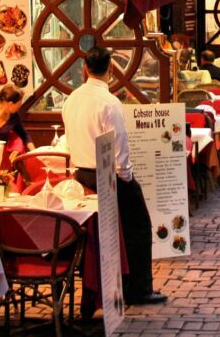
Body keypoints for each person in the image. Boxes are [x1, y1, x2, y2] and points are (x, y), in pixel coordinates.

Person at [63, 46, 166, 305]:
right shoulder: (110, 103)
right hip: (108, 176)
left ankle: (112, 284)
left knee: (104, 233)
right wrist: (126, 177)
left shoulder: (72, 98)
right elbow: (120, 145)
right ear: (110, 69)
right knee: (138, 228)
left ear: (85, 69)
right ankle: (138, 289)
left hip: (81, 176)